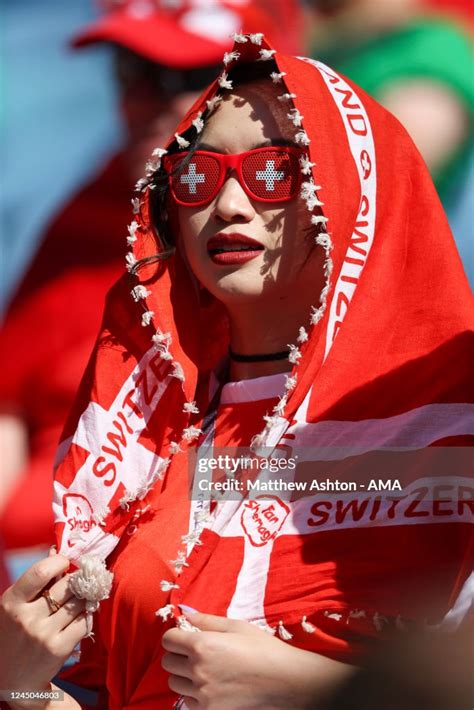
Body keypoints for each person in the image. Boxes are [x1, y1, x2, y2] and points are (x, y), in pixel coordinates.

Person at [1, 32, 473, 710]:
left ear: (352, 185)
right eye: (195, 175)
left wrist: (317, 687)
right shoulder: (145, 433)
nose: (227, 204)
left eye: (274, 170)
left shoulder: (453, 415)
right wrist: (18, 683)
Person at [0, 0, 293, 553]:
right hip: (33, 568)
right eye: (134, 73)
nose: (151, 101)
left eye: (188, 77)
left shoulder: (304, 225)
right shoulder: (95, 207)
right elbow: (9, 408)